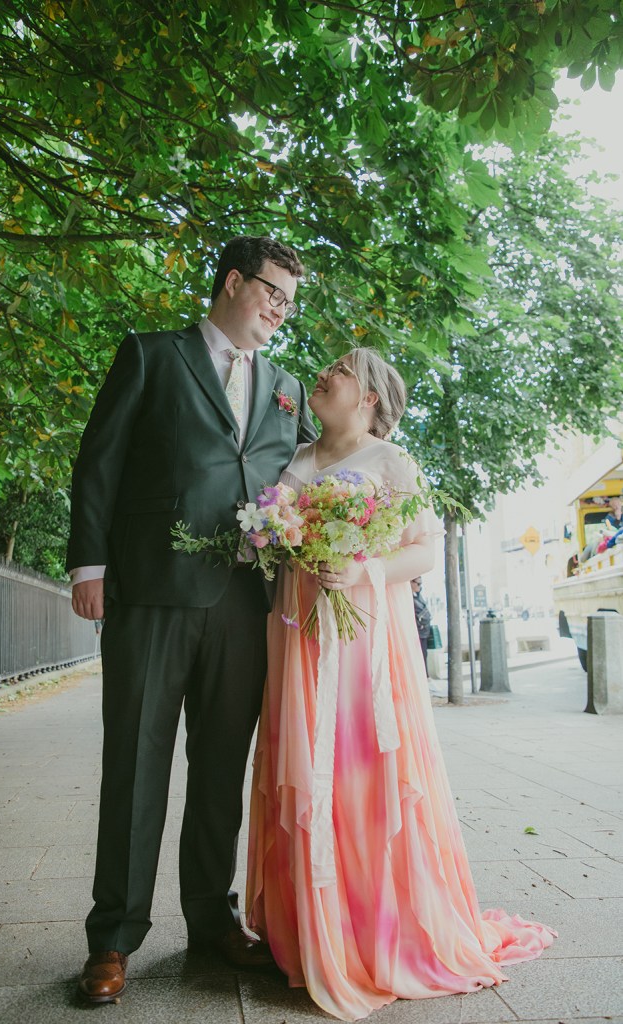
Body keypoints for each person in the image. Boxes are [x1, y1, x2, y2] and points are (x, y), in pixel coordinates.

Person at [246, 348, 555, 1022]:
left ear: (369, 398)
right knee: (304, 773)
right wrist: (274, 541)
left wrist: (357, 570)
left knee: (360, 775)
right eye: (325, 367)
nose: (323, 374)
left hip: (362, 647)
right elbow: (268, 542)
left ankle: (374, 933)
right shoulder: (295, 462)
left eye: (340, 370)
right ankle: (310, 934)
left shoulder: (392, 462)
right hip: (298, 635)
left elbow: (419, 550)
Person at [67, 236, 316, 1003]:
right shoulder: (150, 355)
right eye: (273, 293)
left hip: (246, 602)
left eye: (289, 303)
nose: (281, 310)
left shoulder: (286, 386)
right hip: (150, 592)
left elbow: (300, 480)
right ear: (234, 283)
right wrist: (90, 564)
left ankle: (211, 920)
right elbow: (99, 459)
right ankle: (112, 938)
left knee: (220, 770)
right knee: (135, 765)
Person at [410, 575, 431, 674]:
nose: (419, 586)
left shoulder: (418, 597)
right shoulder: (409, 598)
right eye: (418, 584)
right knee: (420, 656)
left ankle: (425, 675)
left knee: (424, 655)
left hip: (423, 632)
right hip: (416, 633)